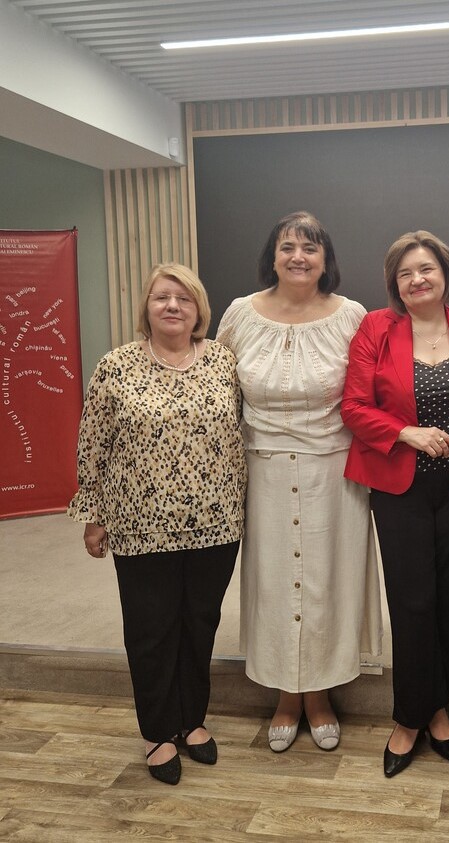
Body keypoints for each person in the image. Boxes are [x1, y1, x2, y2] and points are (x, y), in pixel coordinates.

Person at [68, 262, 246, 785]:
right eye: (162, 297)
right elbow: (92, 443)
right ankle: (157, 731)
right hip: (140, 524)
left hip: (216, 523)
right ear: (146, 308)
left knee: (200, 623)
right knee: (151, 630)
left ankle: (192, 720)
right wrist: (93, 515)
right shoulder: (116, 365)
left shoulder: (223, 361)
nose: (172, 306)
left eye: (184, 298)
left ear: (199, 310)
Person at [216, 211, 381, 754]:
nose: (298, 257)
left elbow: (370, 392)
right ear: (273, 255)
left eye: (310, 248)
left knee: (328, 582)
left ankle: (320, 696)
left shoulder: (351, 316)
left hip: (333, 471)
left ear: (325, 259)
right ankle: (286, 696)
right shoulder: (240, 314)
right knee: (274, 582)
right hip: (262, 468)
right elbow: (218, 392)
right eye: (288, 246)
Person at [341, 230, 449, 778]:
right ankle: (410, 717)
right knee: (411, 601)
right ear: (394, 284)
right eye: (405, 273)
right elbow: (353, 406)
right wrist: (405, 432)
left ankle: (441, 707)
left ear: (445, 274)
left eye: (426, 268)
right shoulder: (375, 329)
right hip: (399, 487)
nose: (416, 279)